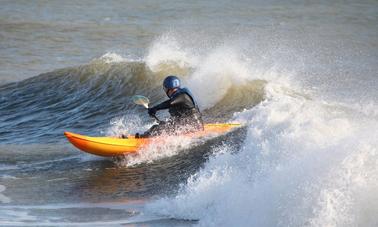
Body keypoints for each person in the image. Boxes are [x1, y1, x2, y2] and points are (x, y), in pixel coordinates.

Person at [136, 75, 203, 138]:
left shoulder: (183, 96)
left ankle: (141, 139)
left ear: (168, 89)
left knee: (156, 128)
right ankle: (145, 136)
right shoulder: (177, 98)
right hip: (189, 126)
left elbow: (170, 103)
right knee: (162, 125)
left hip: (194, 128)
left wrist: (155, 108)